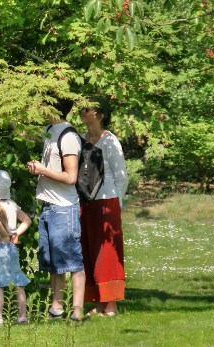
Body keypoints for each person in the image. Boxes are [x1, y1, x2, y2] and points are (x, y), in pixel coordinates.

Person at [27, 97, 86, 321]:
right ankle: (56, 309)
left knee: (72, 262)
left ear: (52, 106)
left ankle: (77, 312)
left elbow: (71, 177)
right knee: (54, 263)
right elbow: (25, 134)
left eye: (42, 103)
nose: (39, 107)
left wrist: (42, 170)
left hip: (64, 208)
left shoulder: (69, 136)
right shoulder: (49, 129)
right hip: (49, 206)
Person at [79, 97, 128, 316]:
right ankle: (98, 304)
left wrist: (117, 205)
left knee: (107, 253)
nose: (82, 111)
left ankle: (111, 306)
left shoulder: (110, 141)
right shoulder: (81, 139)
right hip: (86, 201)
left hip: (107, 202)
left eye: (86, 109)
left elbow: (121, 177)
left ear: (98, 115)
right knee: (89, 250)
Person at [0, 170, 31, 325]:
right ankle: (22, 316)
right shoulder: (12, 204)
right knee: (17, 282)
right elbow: (27, 220)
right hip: (11, 248)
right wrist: (15, 234)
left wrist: (5, 234)